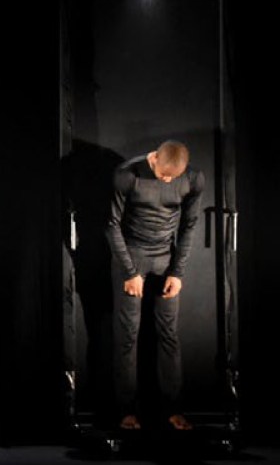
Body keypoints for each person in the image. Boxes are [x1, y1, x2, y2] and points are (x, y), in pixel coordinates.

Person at [107, 140, 204, 431]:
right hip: (132, 256)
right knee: (128, 336)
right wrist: (129, 272)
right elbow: (112, 224)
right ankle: (126, 411)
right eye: (163, 175)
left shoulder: (192, 179)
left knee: (169, 334)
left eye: (174, 177)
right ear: (154, 160)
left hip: (166, 260)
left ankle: (173, 409)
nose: (168, 180)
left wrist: (178, 273)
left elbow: (189, 225)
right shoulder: (128, 175)